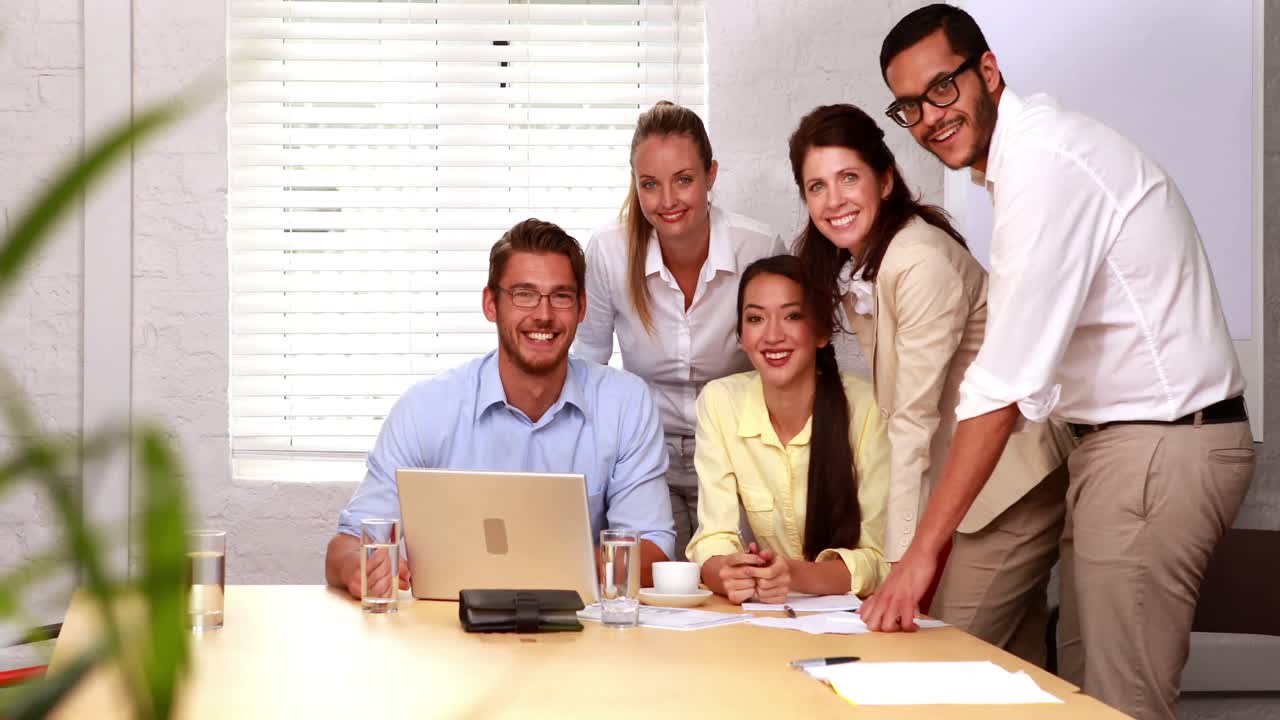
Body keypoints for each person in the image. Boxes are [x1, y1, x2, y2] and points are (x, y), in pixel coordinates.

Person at [863, 6, 1255, 719]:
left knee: (1118, 703)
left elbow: (1002, 388)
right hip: (1123, 449)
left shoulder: (1042, 165)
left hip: (1158, 445)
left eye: (942, 88)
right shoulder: (1025, 161)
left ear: (988, 71)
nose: (930, 116)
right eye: (911, 106)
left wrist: (923, 552)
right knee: (1080, 694)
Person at [788, 103, 1073, 665]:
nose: (833, 200)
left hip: (1009, 483)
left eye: (849, 177)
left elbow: (911, 423)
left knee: (938, 654)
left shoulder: (917, 260)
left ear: (886, 179)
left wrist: (900, 565)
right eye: (816, 186)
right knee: (1013, 669)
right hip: (975, 486)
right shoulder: (868, 265)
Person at [325, 219, 676, 600]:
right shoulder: (425, 408)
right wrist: (359, 569)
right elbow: (345, 547)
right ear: (491, 304)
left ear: (581, 309)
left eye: (561, 296)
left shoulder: (625, 404)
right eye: (524, 294)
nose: (543, 314)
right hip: (445, 634)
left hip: (574, 635)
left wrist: (521, 564)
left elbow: (652, 554)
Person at [574, 101, 786, 560]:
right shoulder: (609, 251)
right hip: (642, 459)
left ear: (711, 175)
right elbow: (586, 367)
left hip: (737, 456)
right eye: (649, 184)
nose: (667, 201)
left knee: (738, 583)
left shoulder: (759, 247)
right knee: (656, 589)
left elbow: (785, 366)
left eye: (684, 180)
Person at [686, 255, 891, 603]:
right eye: (755, 318)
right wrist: (725, 572)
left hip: (861, 618)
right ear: (740, 336)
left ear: (822, 331)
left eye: (792, 316)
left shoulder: (870, 407)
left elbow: (879, 561)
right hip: (772, 616)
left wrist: (792, 574)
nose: (773, 335)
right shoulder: (719, 402)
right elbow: (712, 538)